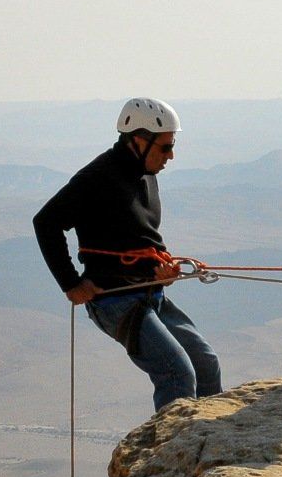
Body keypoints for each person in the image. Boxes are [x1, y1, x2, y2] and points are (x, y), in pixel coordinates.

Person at [33, 98, 222, 411]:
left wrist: (164, 269)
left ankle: (210, 443)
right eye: (165, 147)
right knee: (176, 372)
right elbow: (46, 222)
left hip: (147, 292)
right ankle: (172, 454)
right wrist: (71, 282)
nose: (170, 156)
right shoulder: (96, 179)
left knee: (205, 363)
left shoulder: (145, 175)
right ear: (139, 141)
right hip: (114, 299)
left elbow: (142, 237)